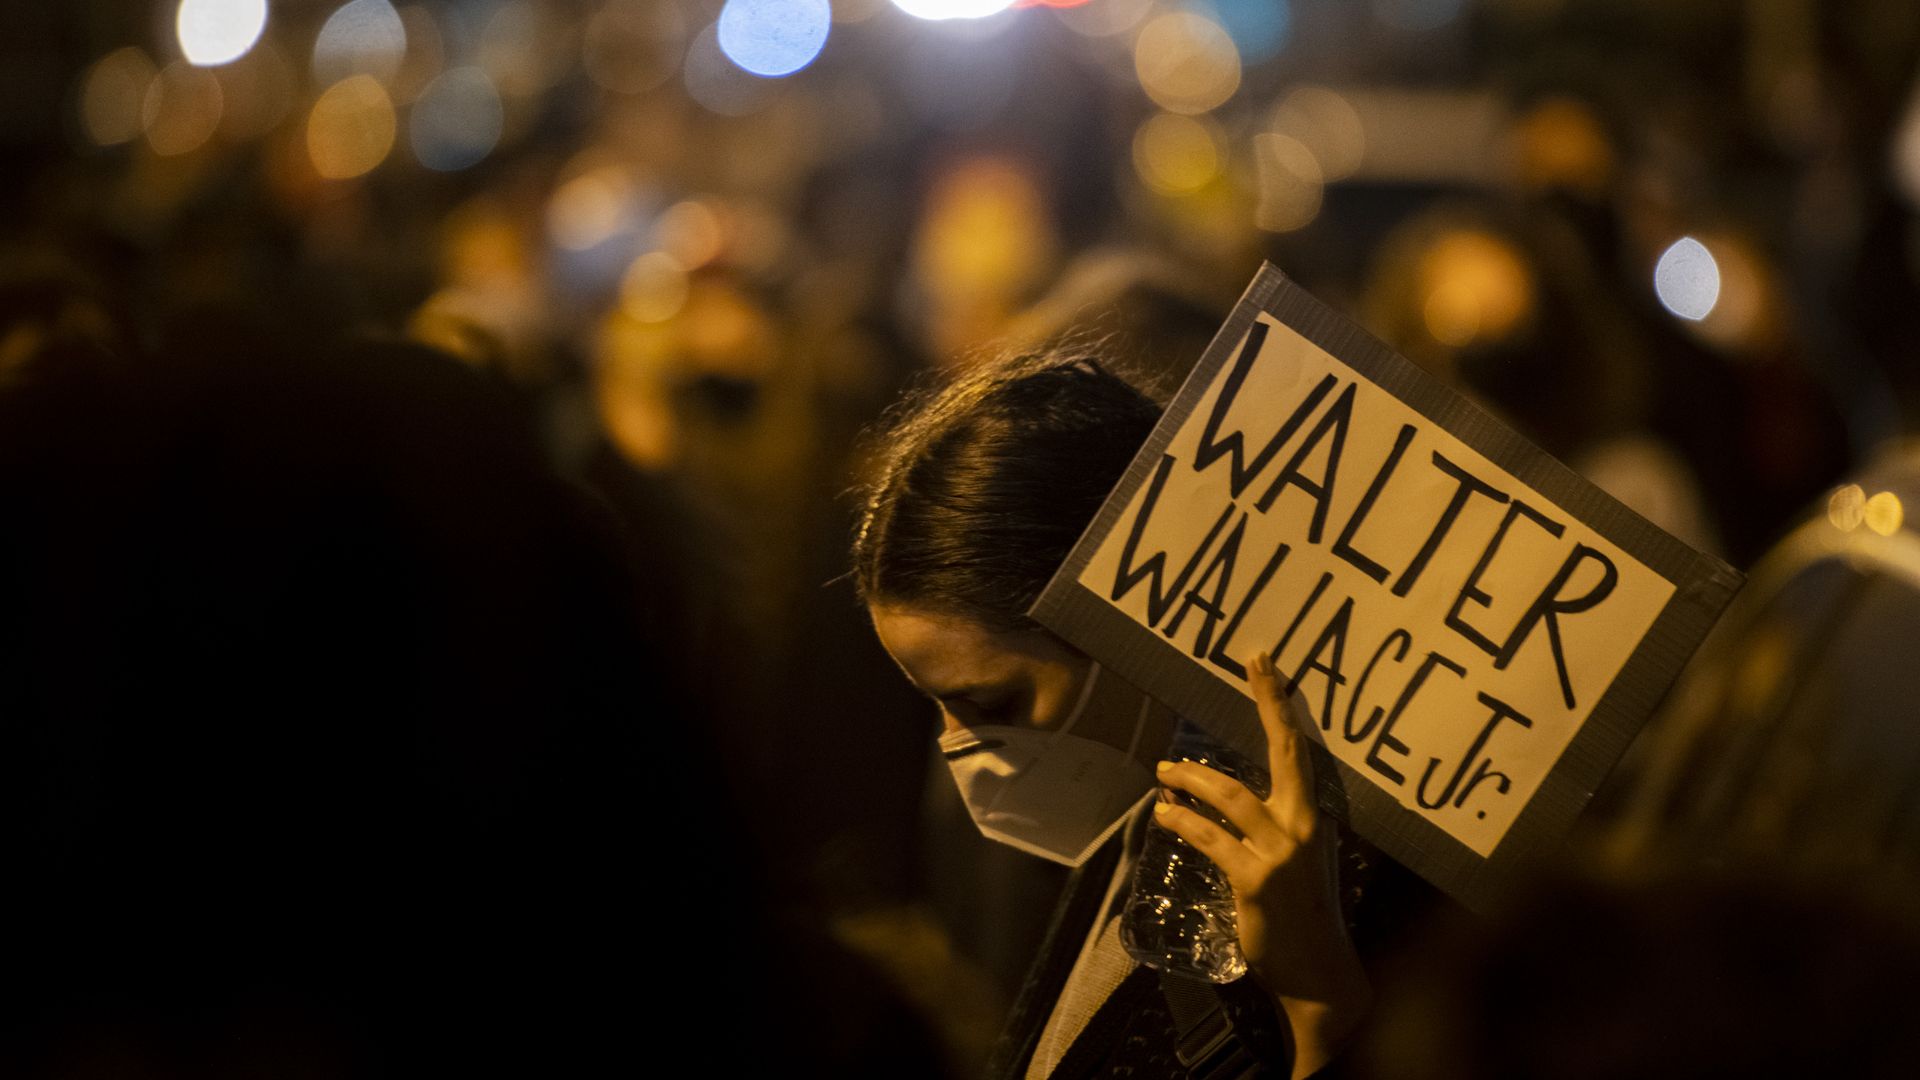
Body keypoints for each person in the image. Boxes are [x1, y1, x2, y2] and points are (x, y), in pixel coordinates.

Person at [853, 352, 1375, 1078]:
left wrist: (1323, 1018)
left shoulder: (1341, 894)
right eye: (936, 707)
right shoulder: (1133, 840)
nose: (959, 747)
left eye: (993, 702)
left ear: (1129, 630)